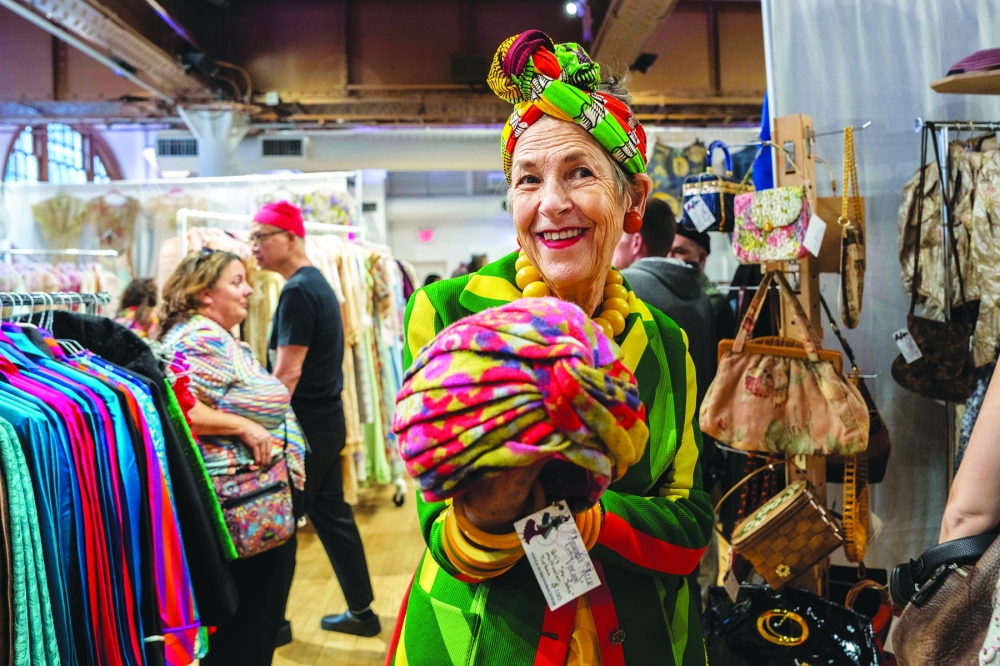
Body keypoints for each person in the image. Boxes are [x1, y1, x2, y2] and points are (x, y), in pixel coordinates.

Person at [387, 31, 712, 665]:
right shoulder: (448, 312)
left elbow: (691, 520)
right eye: (527, 179)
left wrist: (585, 517)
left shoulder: (665, 342)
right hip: (483, 640)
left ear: (634, 200)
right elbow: (440, 525)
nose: (551, 204)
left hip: (635, 637)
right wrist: (493, 508)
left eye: (580, 174)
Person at [159, 249, 307, 666]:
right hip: (240, 507)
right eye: (237, 281)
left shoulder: (214, 335)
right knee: (248, 628)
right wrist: (244, 426)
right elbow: (180, 406)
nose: (248, 291)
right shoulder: (198, 338)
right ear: (205, 292)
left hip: (251, 501)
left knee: (255, 624)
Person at [250, 201, 380, 638]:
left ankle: (272, 624)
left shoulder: (298, 291)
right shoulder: (315, 284)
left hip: (304, 428)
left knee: (284, 523)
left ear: (289, 237)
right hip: (324, 422)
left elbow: (287, 373)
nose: (253, 248)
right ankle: (362, 612)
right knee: (330, 513)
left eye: (260, 237)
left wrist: (260, 424)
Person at [616, 198, 717, 407]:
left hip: (650, 431)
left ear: (636, 242)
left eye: (618, 237)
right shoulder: (701, 294)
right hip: (695, 428)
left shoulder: (625, 289)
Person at [670, 226, 737, 341]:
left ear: (701, 258)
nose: (669, 258)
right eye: (667, 251)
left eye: (679, 252)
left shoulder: (712, 302)